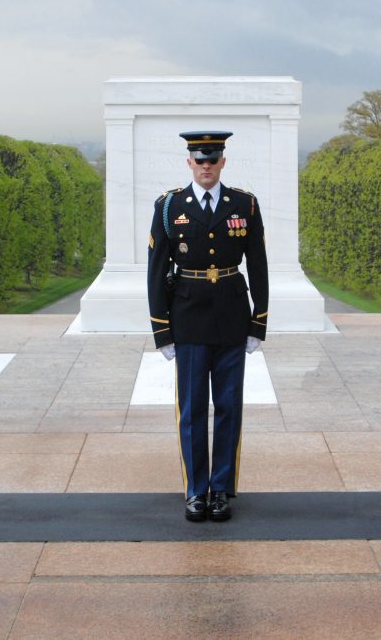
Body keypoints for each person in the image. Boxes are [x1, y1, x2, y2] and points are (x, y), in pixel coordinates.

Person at [147, 131, 269, 522]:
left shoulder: (245, 205)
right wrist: (162, 329)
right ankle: (195, 490)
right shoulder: (169, 207)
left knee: (229, 407)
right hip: (189, 320)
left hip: (233, 317)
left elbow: (259, 266)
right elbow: (155, 272)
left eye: (212, 159)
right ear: (189, 163)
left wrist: (258, 321)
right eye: (199, 160)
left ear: (222, 162)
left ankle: (221, 489)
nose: (206, 166)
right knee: (193, 409)